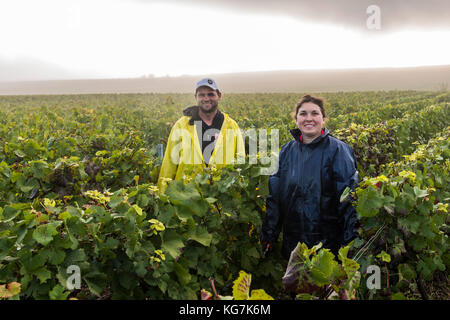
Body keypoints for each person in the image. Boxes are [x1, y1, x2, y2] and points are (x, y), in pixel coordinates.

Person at [260, 95, 359, 260]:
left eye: (315, 113)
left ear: (324, 119)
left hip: (328, 248)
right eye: (303, 114)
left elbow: (349, 202)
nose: (309, 118)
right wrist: (269, 234)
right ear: (296, 119)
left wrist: (349, 248)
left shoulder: (338, 151)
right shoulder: (286, 151)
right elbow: (275, 197)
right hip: (293, 245)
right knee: (295, 284)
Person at [157, 78, 245, 193]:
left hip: (222, 199)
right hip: (186, 200)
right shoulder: (181, 125)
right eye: (202, 95)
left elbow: (241, 163)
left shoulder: (232, 126)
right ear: (196, 97)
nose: (206, 98)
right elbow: (169, 164)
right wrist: (161, 195)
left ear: (219, 96)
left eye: (210, 94)